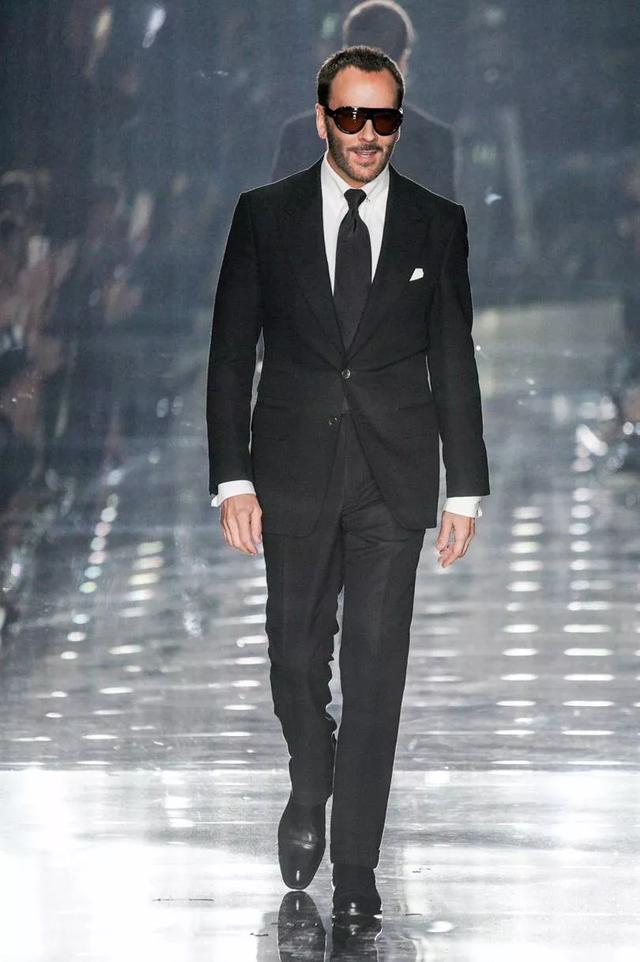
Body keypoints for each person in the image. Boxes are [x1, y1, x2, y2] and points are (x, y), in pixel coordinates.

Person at [206, 45, 490, 925]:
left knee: (376, 669)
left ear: (399, 121)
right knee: (295, 655)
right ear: (322, 117)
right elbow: (230, 353)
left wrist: (465, 486)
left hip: (392, 475)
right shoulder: (266, 215)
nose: (368, 134)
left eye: (384, 117)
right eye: (352, 115)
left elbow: (453, 354)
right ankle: (310, 779)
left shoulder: (437, 222)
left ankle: (357, 866)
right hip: (290, 467)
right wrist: (231, 477)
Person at [271, 0, 457, 200]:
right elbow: (442, 219)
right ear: (403, 60)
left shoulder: (299, 135)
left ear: (344, 56)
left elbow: (276, 215)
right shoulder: (434, 141)